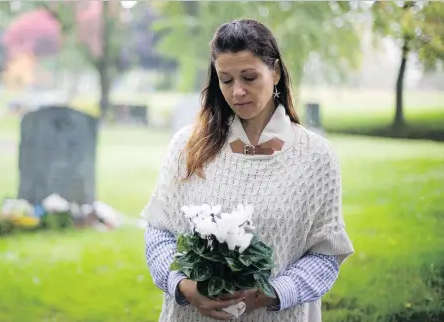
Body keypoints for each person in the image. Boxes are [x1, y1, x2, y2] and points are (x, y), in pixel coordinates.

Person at [142, 19, 354, 322]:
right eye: (226, 80)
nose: (238, 91)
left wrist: (273, 293)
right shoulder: (187, 146)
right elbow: (160, 232)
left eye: (250, 77)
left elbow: (326, 254)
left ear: (276, 72)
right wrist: (184, 286)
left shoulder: (315, 156)